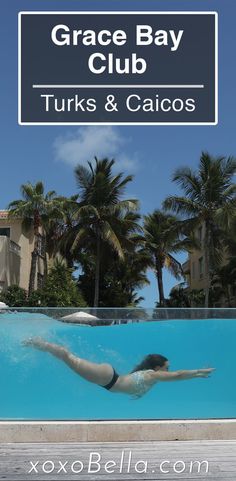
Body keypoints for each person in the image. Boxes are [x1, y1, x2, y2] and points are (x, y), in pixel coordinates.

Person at [24, 338, 215, 398]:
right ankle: (39, 342)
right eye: (167, 367)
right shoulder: (153, 375)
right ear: (158, 368)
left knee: (70, 360)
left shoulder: (151, 375)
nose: (169, 370)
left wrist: (198, 374)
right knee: (68, 357)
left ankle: (41, 344)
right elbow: (179, 375)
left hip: (109, 378)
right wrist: (199, 372)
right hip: (107, 378)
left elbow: (177, 374)